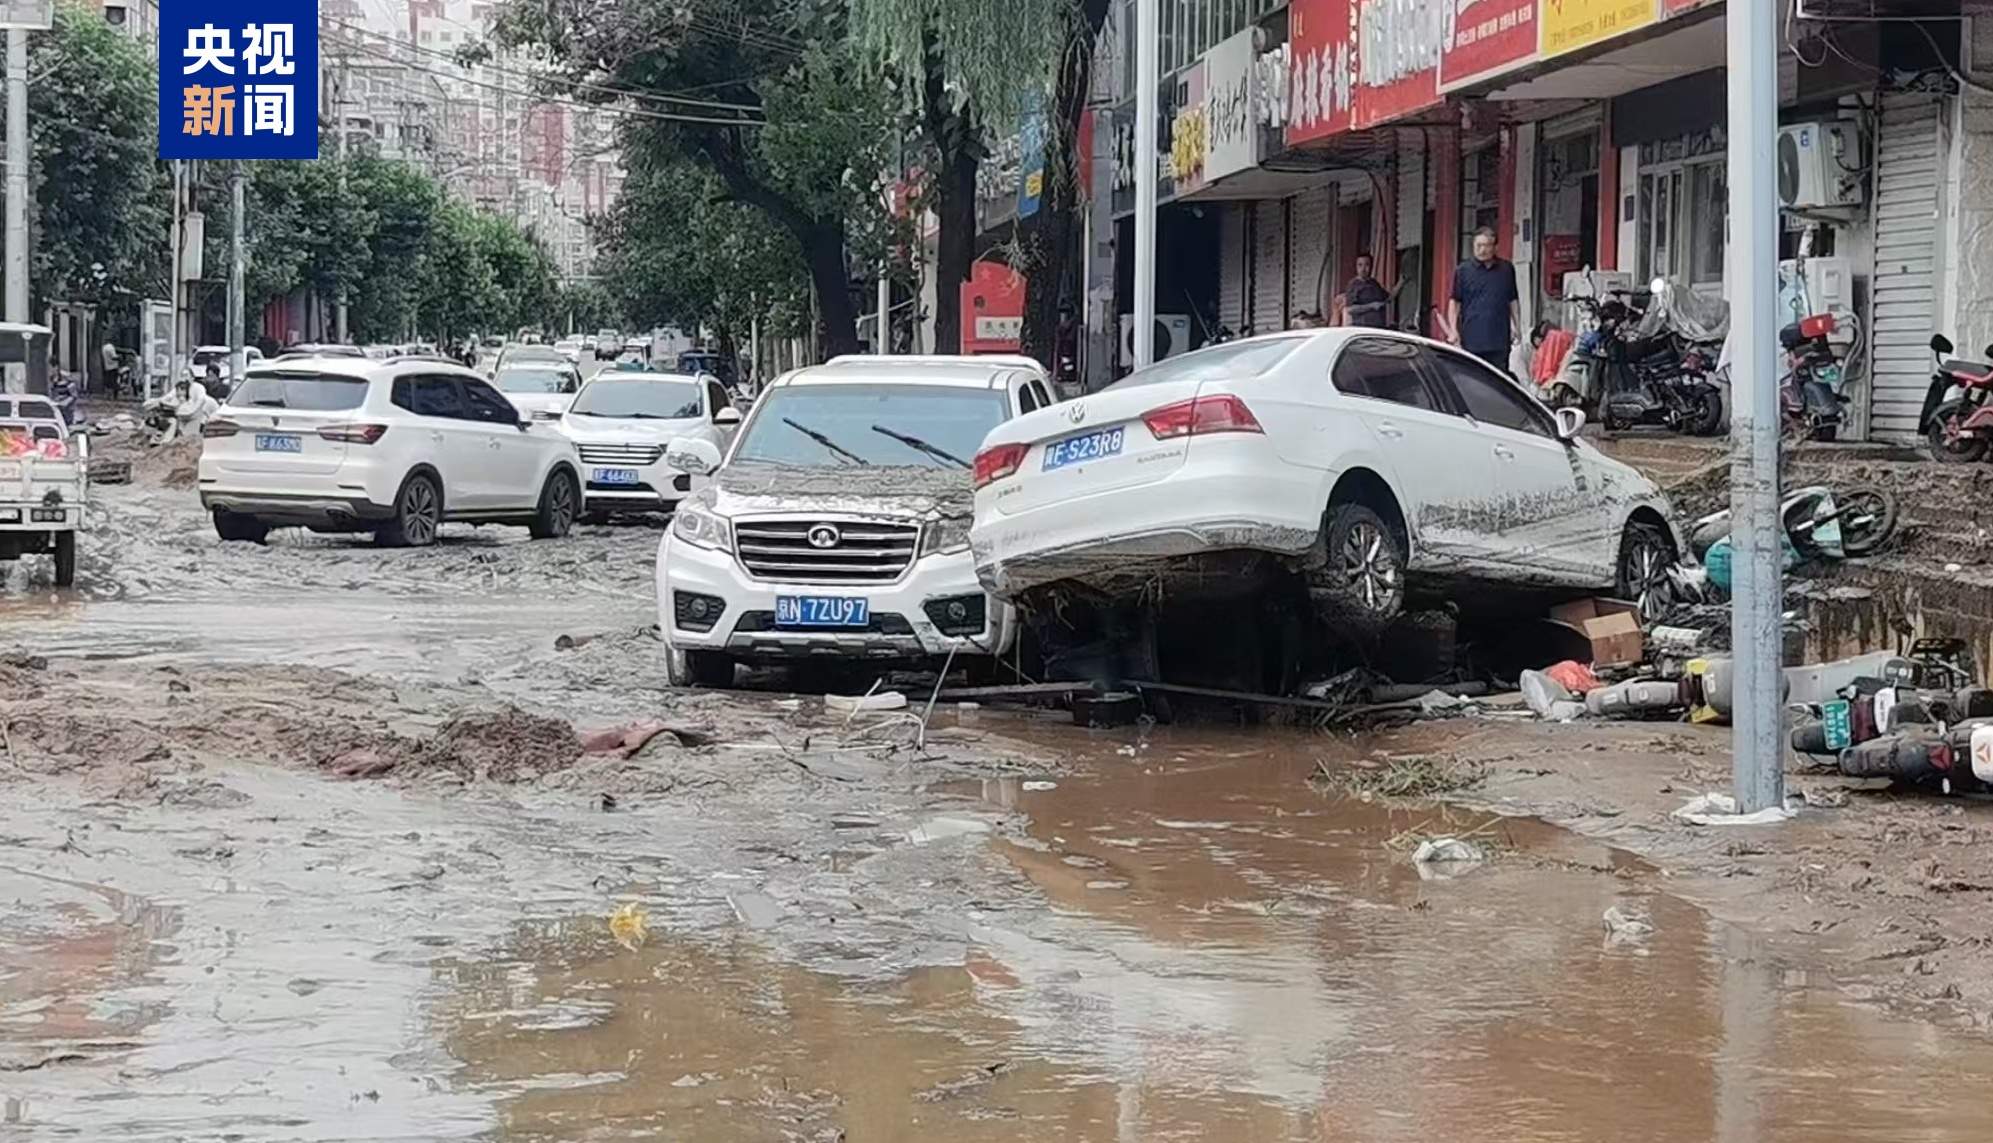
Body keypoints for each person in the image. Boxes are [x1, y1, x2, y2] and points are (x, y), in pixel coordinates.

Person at [1448, 226, 1521, 376]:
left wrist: (1517, 326)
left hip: (1499, 339)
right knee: (1474, 380)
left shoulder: (1506, 269)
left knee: (1499, 381)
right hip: (1472, 339)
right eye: (1478, 246)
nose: (1482, 250)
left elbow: (1512, 300)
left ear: (1495, 247)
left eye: (1487, 246)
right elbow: (1455, 302)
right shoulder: (1463, 270)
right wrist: (1453, 330)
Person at [1343, 253, 1390, 329]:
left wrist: (1400, 283)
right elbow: (1350, 309)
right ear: (1356, 267)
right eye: (1360, 265)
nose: (1363, 269)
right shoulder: (1353, 285)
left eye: (1367, 265)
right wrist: (1371, 306)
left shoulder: (1374, 283)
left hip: (1378, 327)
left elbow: (1387, 298)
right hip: (1362, 327)